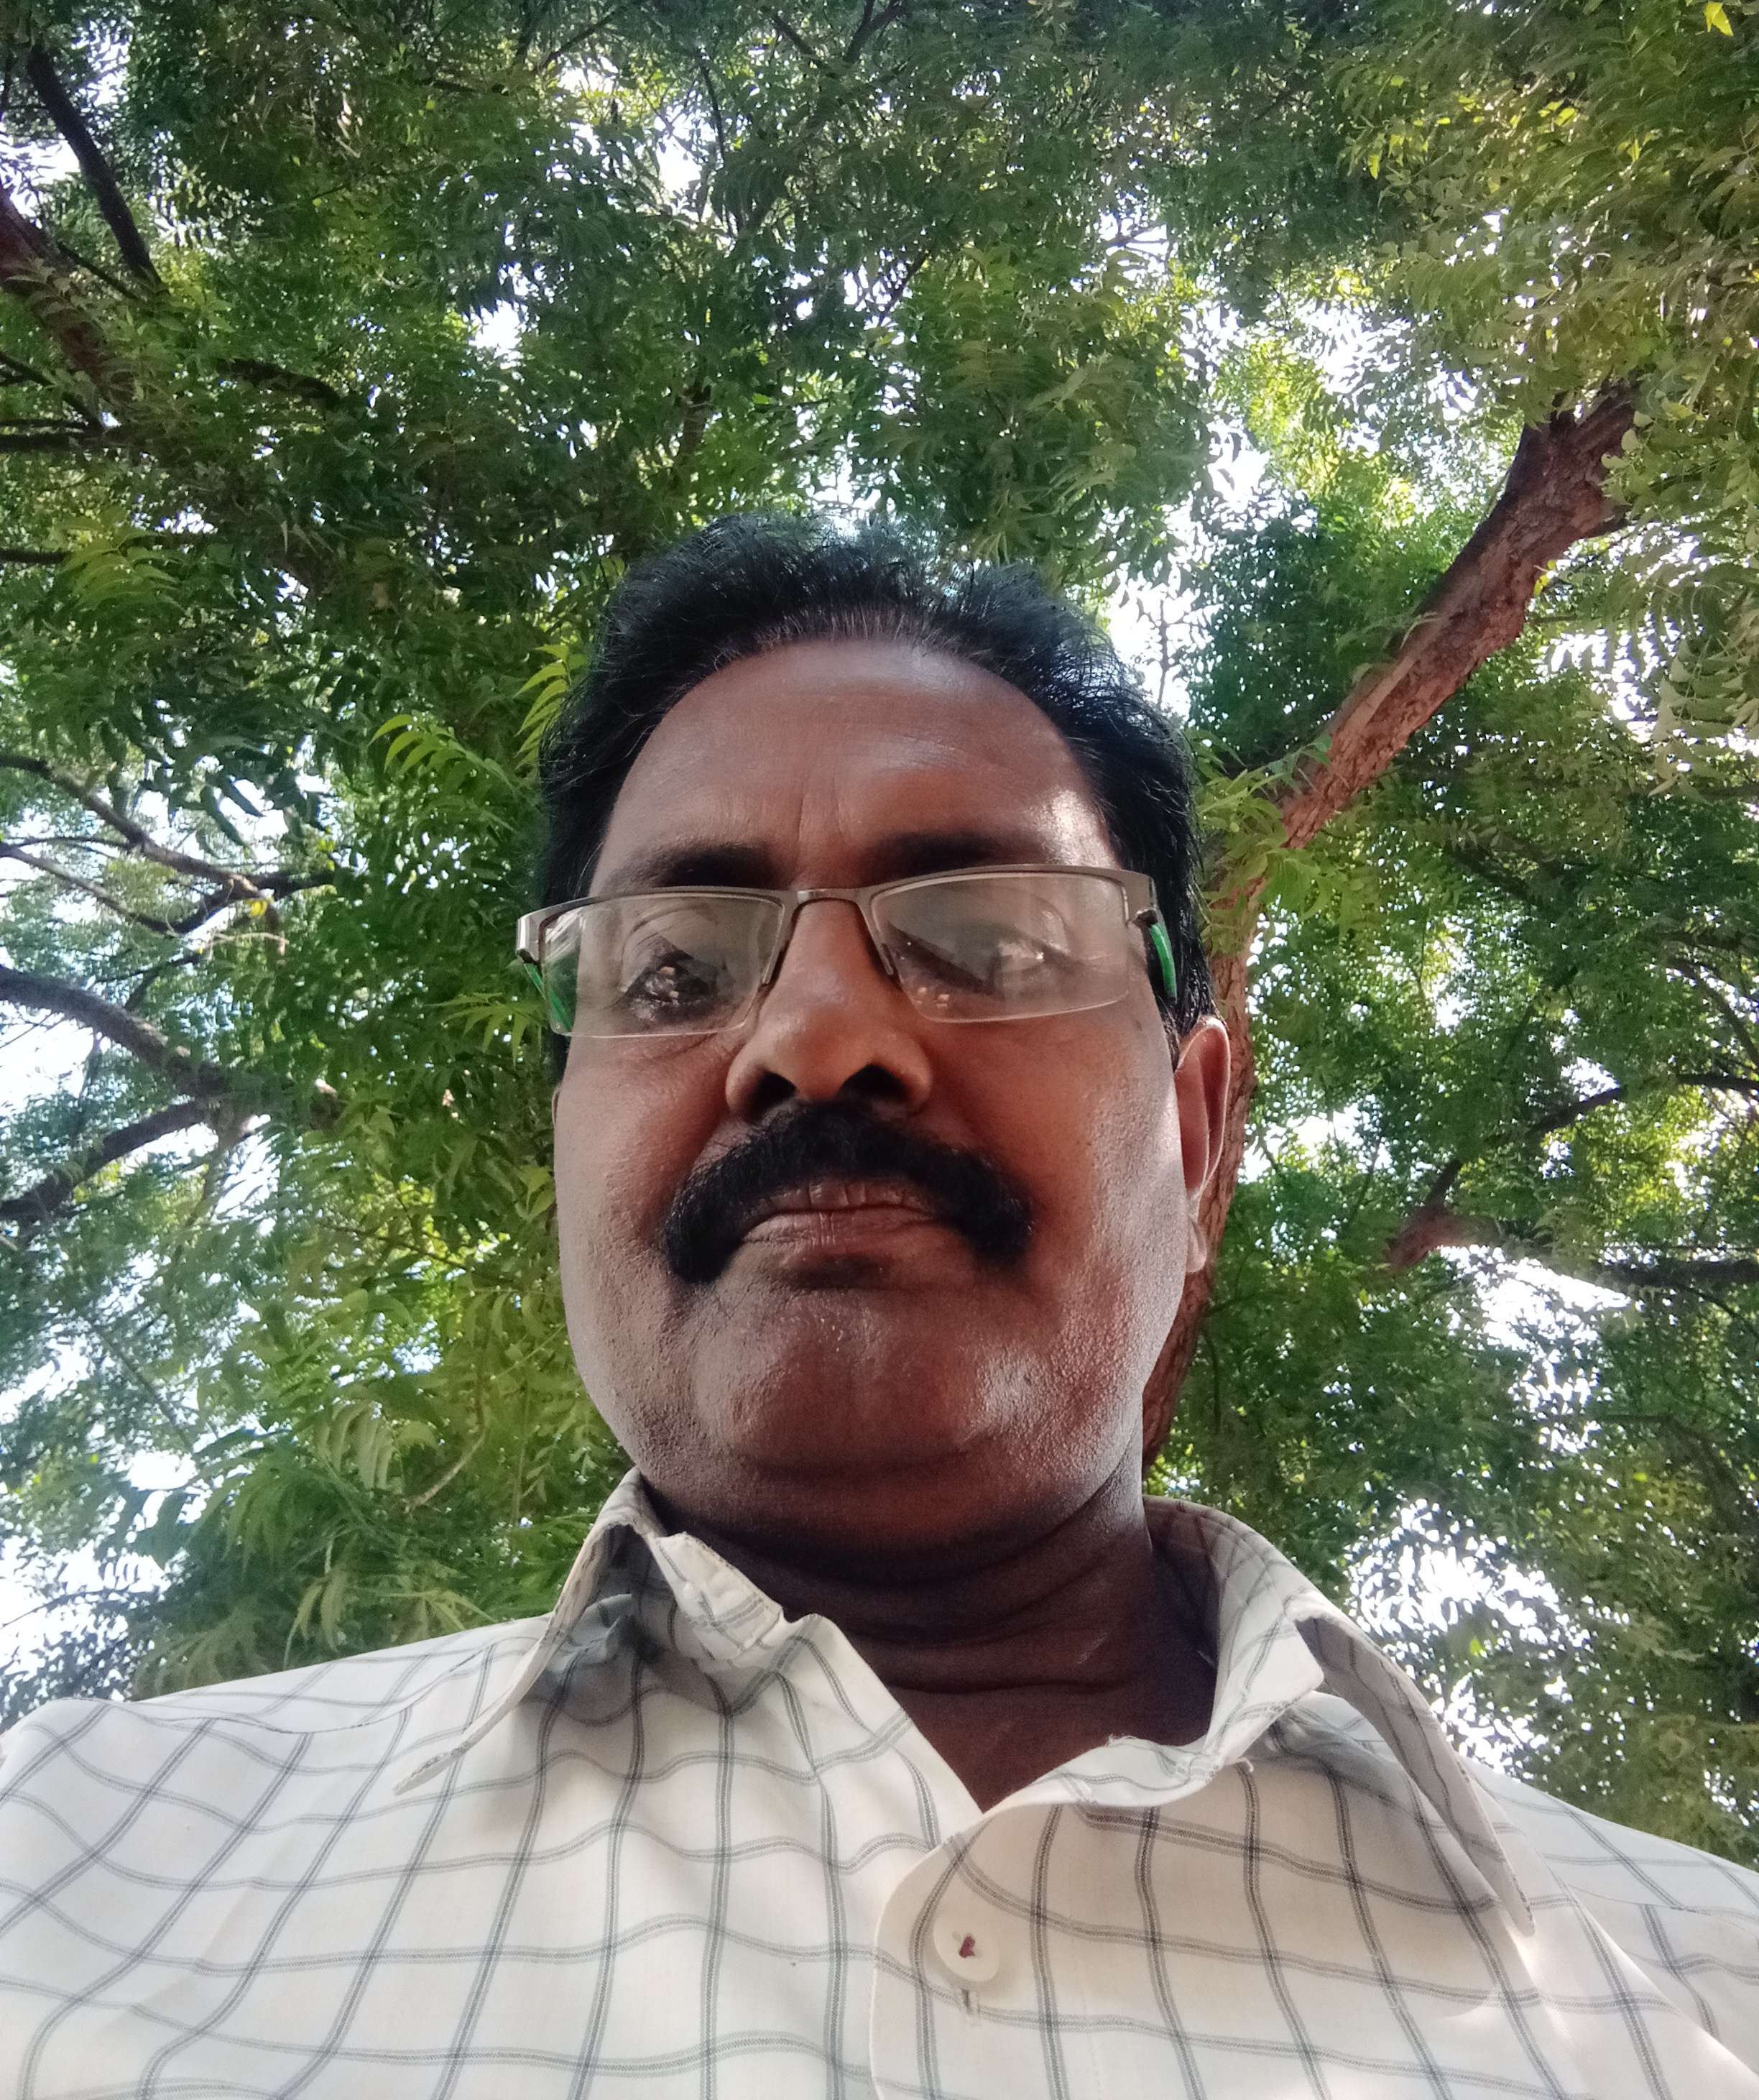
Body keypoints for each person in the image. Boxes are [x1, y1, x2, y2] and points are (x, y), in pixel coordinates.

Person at [2, 517, 1757, 2099]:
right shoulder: (65, 1866)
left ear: (1199, 1138)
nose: (816, 1038)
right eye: (675, 970)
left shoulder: (1706, 1992)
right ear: (561, 1139)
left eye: (985, 943)